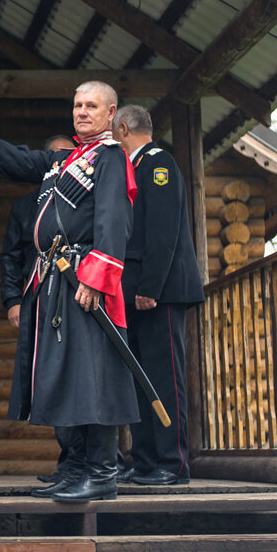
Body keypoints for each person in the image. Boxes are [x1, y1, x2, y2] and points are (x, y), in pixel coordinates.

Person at [0, 80, 139, 503]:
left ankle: (102, 473)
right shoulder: (63, 161)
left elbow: (113, 220)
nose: (82, 112)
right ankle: (77, 469)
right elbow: (14, 158)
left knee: (92, 377)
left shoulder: (111, 159)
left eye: (91, 106)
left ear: (110, 113)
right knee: (69, 378)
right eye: (77, 104)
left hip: (83, 279)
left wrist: (95, 277)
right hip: (56, 282)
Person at [112, 105, 204, 486]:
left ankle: (173, 463)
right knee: (141, 378)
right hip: (137, 292)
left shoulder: (157, 164)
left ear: (121, 129)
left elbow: (163, 232)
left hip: (160, 292)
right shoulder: (135, 166)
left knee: (164, 378)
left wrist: (150, 287)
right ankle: (146, 459)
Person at [0, 135, 77, 485]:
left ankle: (93, 463)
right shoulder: (26, 206)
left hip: (78, 298)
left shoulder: (83, 202)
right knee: (51, 382)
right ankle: (70, 462)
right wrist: (13, 300)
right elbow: (11, 257)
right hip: (39, 301)